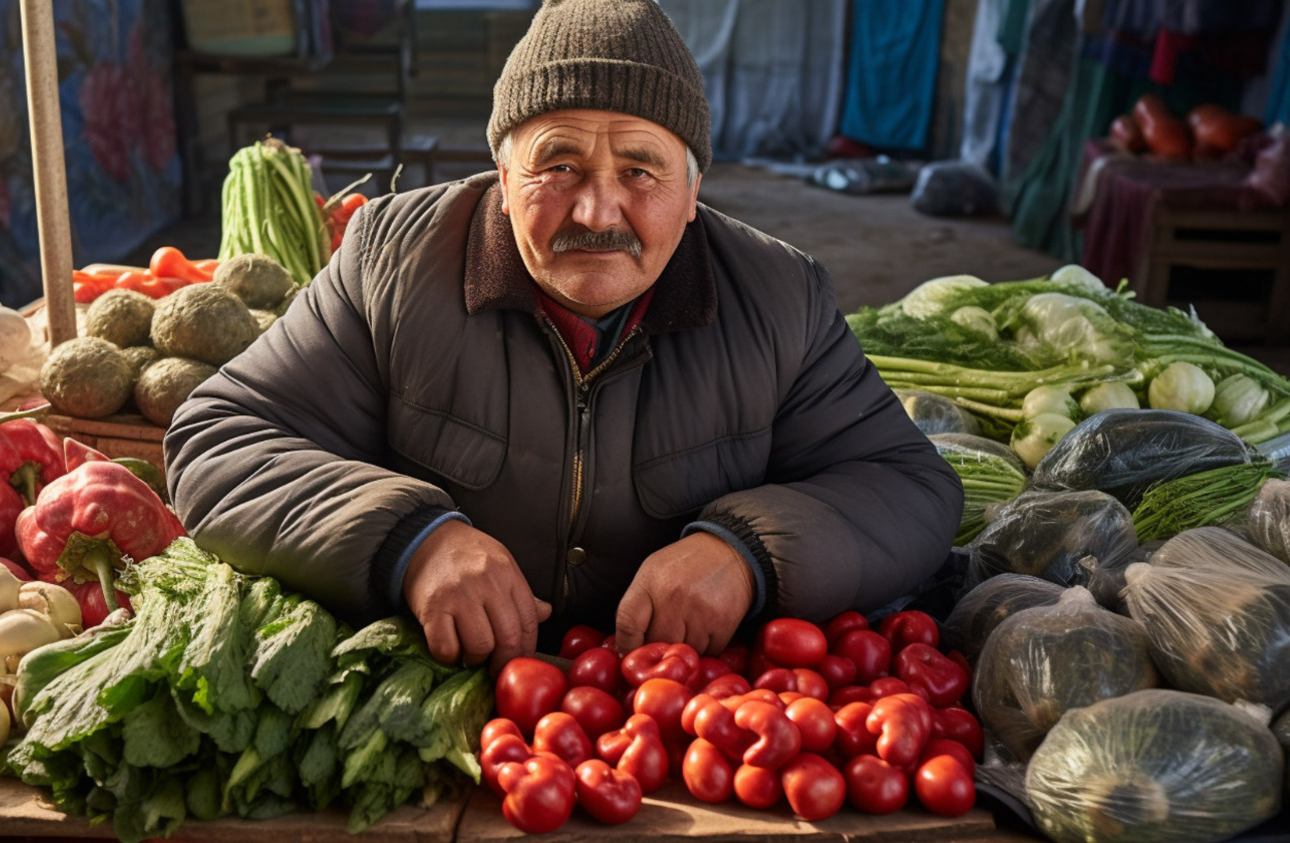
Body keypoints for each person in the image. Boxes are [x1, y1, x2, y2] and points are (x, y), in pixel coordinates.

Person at [165, 0, 963, 671]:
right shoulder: (393, 262)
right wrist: (412, 538)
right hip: (445, 697)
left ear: (693, 194)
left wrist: (746, 553)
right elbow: (220, 437)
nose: (597, 211)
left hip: (676, 716)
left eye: (641, 170)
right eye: (559, 164)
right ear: (503, 181)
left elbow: (909, 487)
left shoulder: (779, 296)